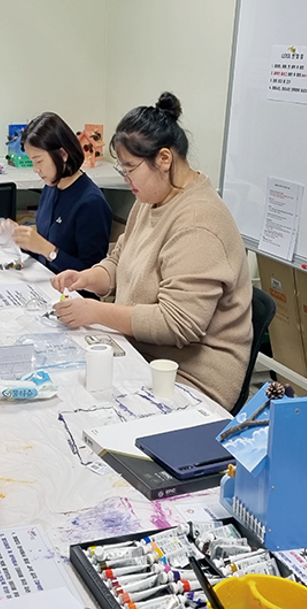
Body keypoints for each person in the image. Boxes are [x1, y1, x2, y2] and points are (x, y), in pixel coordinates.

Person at [50, 93, 252, 408]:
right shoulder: (152, 196)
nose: (127, 179)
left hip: (188, 379)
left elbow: (177, 323)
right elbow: (121, 259)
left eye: (130, 169)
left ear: (164, 159)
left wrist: (97, 312)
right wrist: (88, 278)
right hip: (140, 355)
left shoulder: (199, 222)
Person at [6, 112, 111, 274]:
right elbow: (44, 248)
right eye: (32, 162)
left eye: (39, 161)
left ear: (62, 154)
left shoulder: (91, 203)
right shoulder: (51, 187)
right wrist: (23, 239)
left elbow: (92, 274)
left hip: (72, 288)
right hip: (45, 280)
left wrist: (46, 249)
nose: (36, 169)